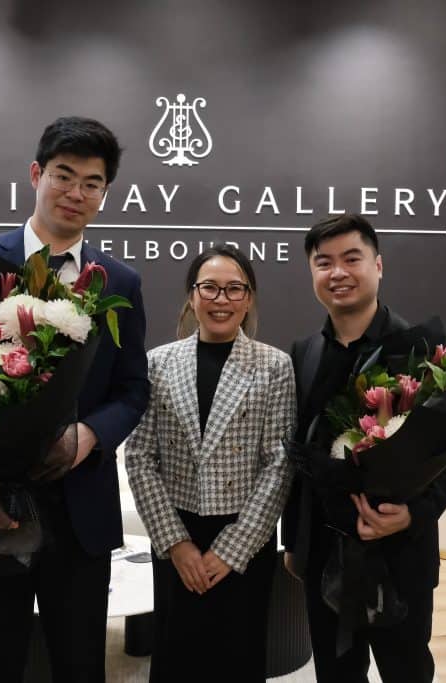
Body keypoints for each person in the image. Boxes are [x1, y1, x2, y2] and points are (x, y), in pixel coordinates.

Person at [0, 116, 149, 683]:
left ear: (105, 193)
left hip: (79, 505)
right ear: (37, 174)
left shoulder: (119, 282)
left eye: (92, 183)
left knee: (80, 662)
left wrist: (89, 435)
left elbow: (133, 388)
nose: (75, 193)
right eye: (64, 176)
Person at [282, 214, 446, 683]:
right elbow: (298, 460)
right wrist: (294, 543)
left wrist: (413, 514)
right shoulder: (303, 353)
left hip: (399, 550)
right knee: (335, 673)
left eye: (351, 259)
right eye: (323, 263)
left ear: (378, 266)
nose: (337, 273)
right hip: (324, 553)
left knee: (406, 670)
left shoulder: (423, 349)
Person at [124, 245, 296, 682]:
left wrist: (231, 550)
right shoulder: (159, 363)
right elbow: (141, 457)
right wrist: (177, 545)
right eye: (210, 288)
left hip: (244, 537)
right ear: (192, 296)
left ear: (249, 297)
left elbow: (278, 465)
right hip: (177, 532)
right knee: (176, 651)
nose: (221, 299)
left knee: (237, 653)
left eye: (234, 289)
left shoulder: (274, 366)